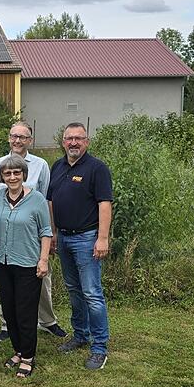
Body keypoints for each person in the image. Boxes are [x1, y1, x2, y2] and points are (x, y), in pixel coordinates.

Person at [0, 121, 67, 342]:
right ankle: (7, 324)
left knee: (41, 277)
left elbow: (44, 199)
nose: (17, 140)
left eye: (23, 137)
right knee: (7, 280)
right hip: (6, 232)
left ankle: (47, 320)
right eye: (14, 136)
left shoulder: (41, 164)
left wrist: (50, 233)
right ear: (8, 138)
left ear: (30, 140)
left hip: (33, 232)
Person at [47, 123, 113, 371]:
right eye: (68, 138)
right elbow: (51, 201)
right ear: (63, 141)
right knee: (74, 290)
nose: (73, 143)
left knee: (92, 294)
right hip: (63, 237)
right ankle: (81, 334)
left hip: (87, 238)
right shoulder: (58, 166)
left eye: (78, 138)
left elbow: (104, 204)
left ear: (87, 141)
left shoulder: (97, 168)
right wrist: (52, 233)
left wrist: (102, 238)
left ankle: (99, 346)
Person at [0, 155, 52, 378]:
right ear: (2, 176)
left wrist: (43, 259)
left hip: (27, 263)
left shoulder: (37, 199)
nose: (12, 177)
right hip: (2, 262)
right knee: (10, 309)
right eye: (8, 173)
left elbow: (46, 232)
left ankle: (28, 356)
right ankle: (18, 349)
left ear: (24, 174)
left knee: (25, 311)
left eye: (17, 172)